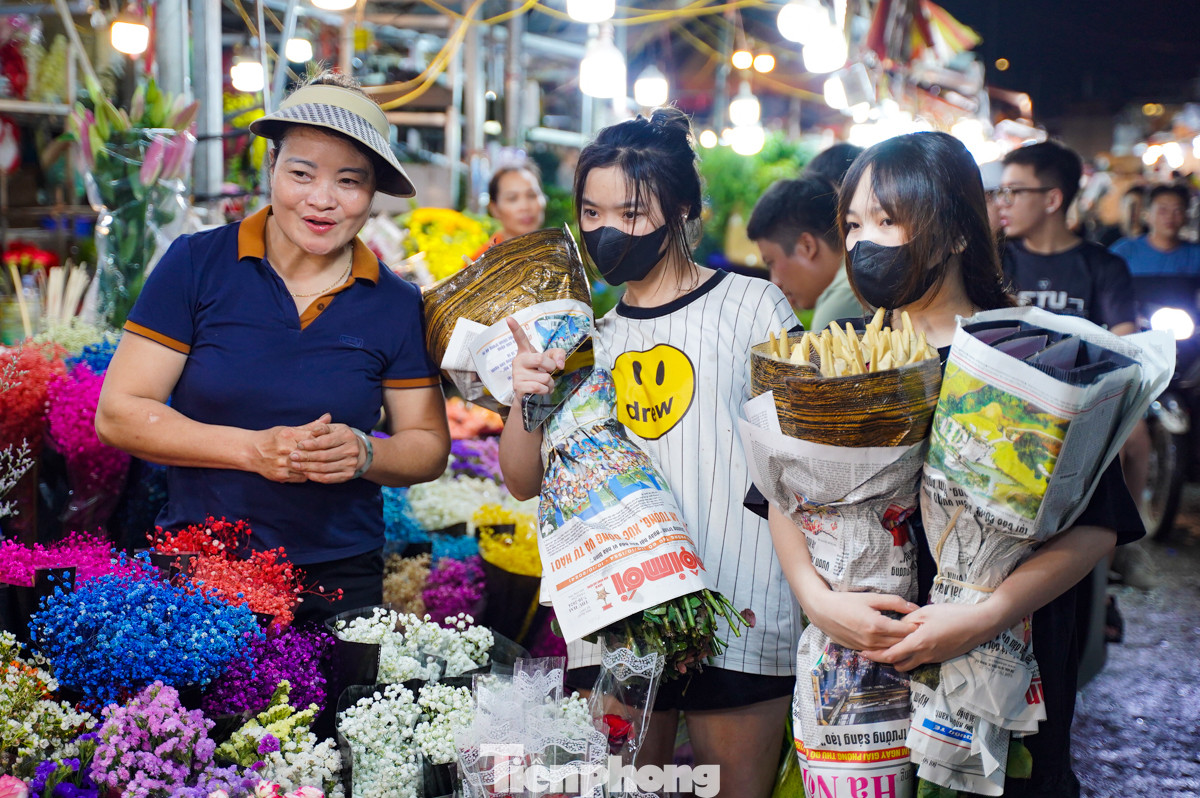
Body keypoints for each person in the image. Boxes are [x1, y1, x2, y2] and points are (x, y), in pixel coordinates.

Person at [767, 131, 1144, 796]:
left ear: (958, 231)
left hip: (1007, 659)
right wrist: (819, 603)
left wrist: (982, 617)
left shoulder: (1034, 358)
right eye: (854, 224)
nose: (864, 243)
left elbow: (1096, 526)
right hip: (860, 664)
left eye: (890, 220)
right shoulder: (834, 353)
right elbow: (779, 496)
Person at [500, 108, 800, 798]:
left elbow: (795, 461)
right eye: (593, 212)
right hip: (615, 616)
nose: (610, 231)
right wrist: (528, 394)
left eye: (633, 213)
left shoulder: (755, 307)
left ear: (685, 212)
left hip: (742, 601)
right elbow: (520, 479)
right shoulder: (579, 339)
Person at [96, 71, 452, 622]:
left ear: (373, 194)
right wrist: (252, 450)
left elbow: (427, 444)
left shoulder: (396, 302)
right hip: (202, 570)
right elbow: (119, 414)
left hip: (338, 578)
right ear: (271, 170)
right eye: (302, 173)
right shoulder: (196, 264)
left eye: (349, 182)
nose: (322, 200)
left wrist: (366, 452)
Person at [998, 141, 1137, 335]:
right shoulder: (997, 262)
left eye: (1013, 191)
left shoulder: (1105, 267)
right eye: (1001, 192)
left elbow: (1125, 338)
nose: (1002, 203)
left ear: (1052, 200)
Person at [746, 176, 864, 329]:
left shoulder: (841, 299)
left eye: (771, 263)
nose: (775, 282)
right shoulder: (861, 274)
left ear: (807, 246)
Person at [1111, 184, 1200, 276]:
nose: (1170, 217)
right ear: (1147, 215)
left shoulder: (1196, 255)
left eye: (1177, 211)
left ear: (1186, 217)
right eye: (1163, 211)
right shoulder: (1124, 252)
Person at [482, 163, 546, 249]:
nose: (525, 207)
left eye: (532, 195)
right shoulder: (482, 260)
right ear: (494, 209)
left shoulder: (561, 254)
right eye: (512, 198)